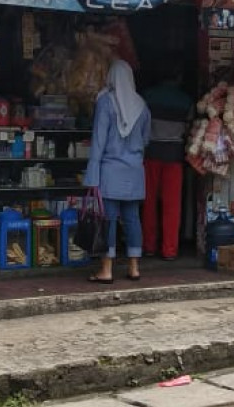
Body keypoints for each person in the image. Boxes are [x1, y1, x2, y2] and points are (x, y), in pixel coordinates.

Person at [83, 60, 151, 284]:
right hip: (134, 172)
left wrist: (92, 175)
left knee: (109, 220)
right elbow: (146, 139)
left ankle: (106, 269)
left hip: (110, 171)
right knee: (132, 219)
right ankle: (134, 267)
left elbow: (98, 140)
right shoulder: (141, 105)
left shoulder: (105, 102)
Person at [141, 67, 193, 260]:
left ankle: (148, 246)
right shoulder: (186, 100)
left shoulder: (148, 96)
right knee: (172, 205)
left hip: (151, 153)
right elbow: (188, 129)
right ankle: (169, 250)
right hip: (174, 156)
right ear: (178, 76)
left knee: (149, 203)